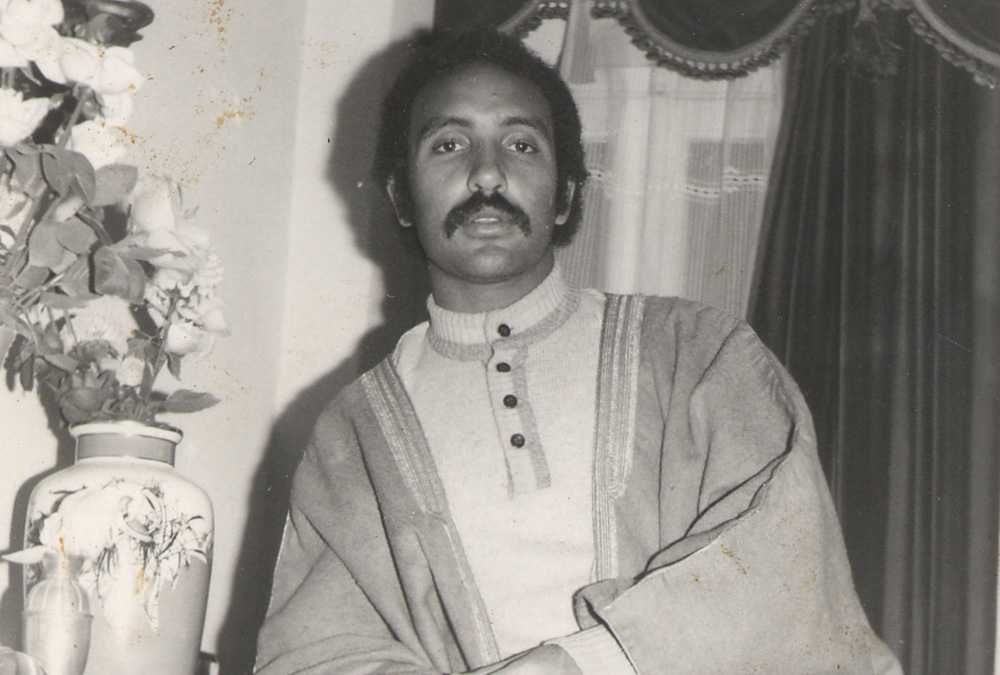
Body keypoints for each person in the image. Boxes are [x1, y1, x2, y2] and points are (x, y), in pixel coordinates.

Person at [255, 28, 902, 675]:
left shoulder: (697, 355)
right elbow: (315, 656)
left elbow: (783, 563)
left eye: (521, 144)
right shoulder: (352, 436)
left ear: (565, 192)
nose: (487, 173)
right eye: (449, 144)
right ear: (400, 196)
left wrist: (582, 661)